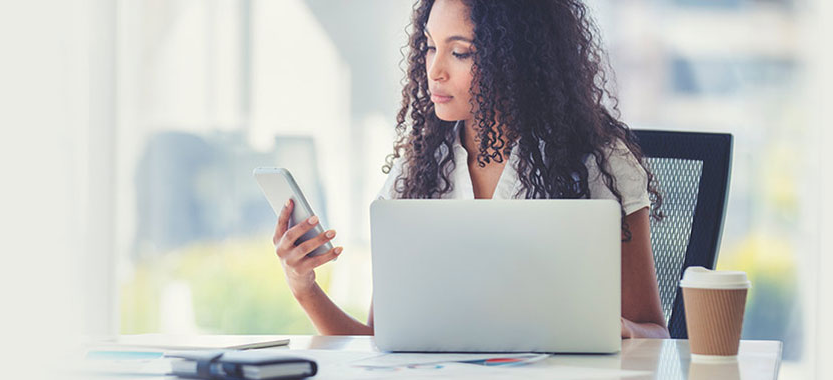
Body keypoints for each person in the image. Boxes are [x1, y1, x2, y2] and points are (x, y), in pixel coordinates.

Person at [271, 0, 670, 339]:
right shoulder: (420, 168)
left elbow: (655, 333)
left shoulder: (597, 162)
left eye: (460, 52)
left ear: (514, 59)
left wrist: (614, 330)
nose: (435, 70)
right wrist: (304, 287)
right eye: (429, 47)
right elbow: (380, 343)